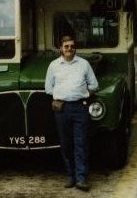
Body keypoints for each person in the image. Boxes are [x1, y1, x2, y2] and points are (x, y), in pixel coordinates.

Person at [45, 35, 98, 191]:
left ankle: (81, 178)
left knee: (80, 144)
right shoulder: (53, 66)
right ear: (60, 48)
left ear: (75, 48)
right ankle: (71, 176)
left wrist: (82, 94)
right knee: (66, 144)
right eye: (66, 46)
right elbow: (48, 88)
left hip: (80, 108)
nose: (69, 49)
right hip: (61, 110)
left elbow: (94, 84)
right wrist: (63, 95)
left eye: (72, 46)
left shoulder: (84, 64)